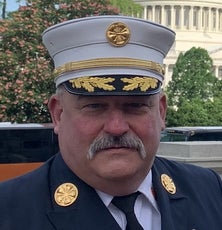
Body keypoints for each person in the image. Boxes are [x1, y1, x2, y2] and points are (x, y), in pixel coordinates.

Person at [0, 15, 221, 230]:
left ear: (161, 112)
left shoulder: (209, 190)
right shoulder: (9, 211)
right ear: (58, 114)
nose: (116, 127)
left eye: (136, 106)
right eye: (94, 107)